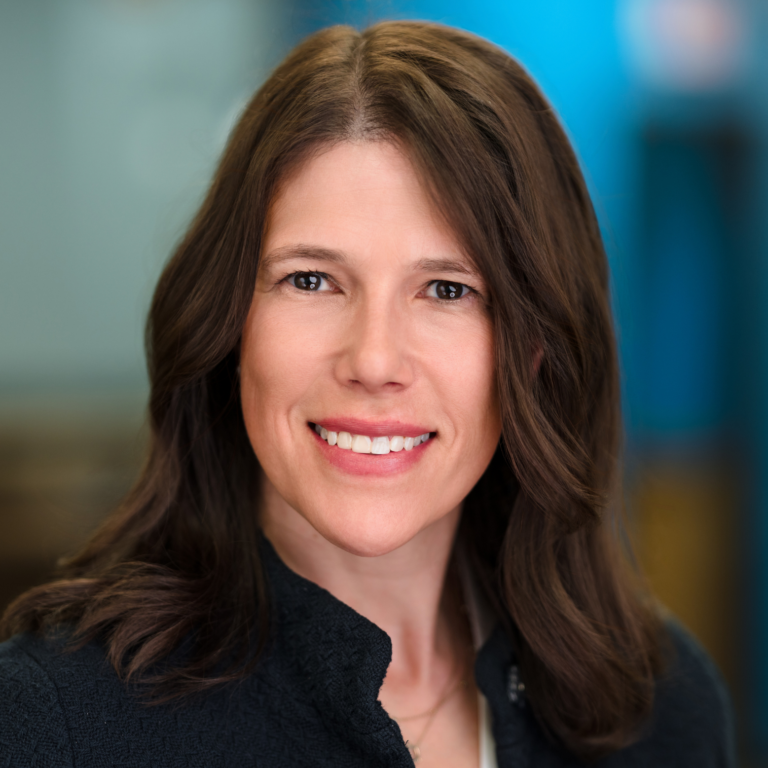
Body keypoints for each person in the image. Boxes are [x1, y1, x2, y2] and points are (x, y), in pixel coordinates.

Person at [0, 20, 733, 768]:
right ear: (229, 322)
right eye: (310, 280)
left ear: (537, 344)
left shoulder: (659, 709)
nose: (374, 359)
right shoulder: (56, 722)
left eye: (447, 289)